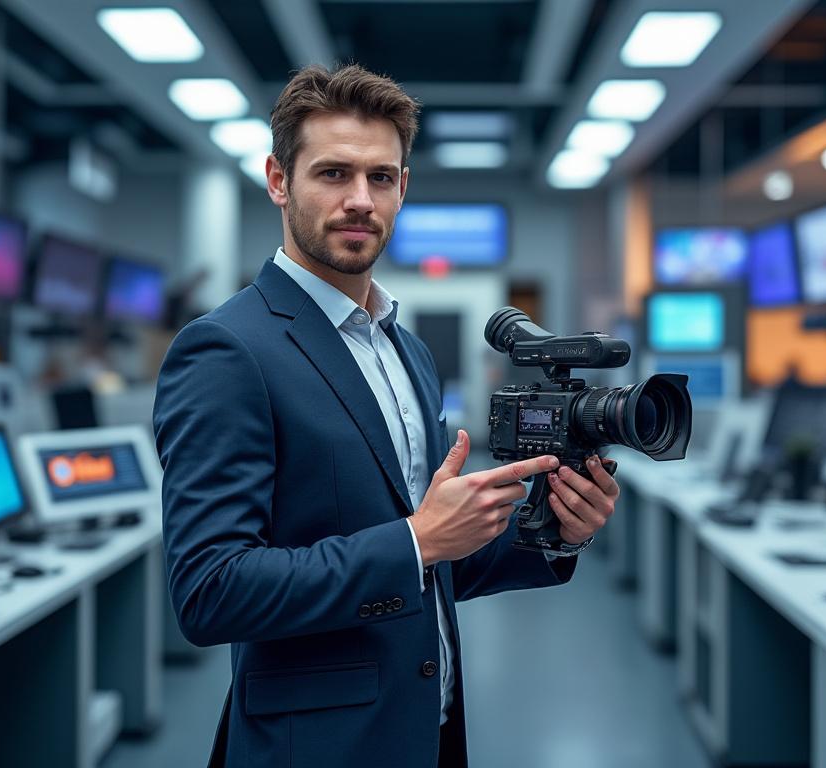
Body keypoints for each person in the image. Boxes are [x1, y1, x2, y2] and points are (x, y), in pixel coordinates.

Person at [153, 63, 621, 768]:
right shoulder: (227, 349)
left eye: (380, 177)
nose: (359, 200)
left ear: (403, 187)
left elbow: (433, 559)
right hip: (316, 747)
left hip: (425, 731)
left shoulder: (406, 351)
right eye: (333, 174)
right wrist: (416, 541)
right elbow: (211, 591)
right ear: (280, 181)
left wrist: (552, 534)